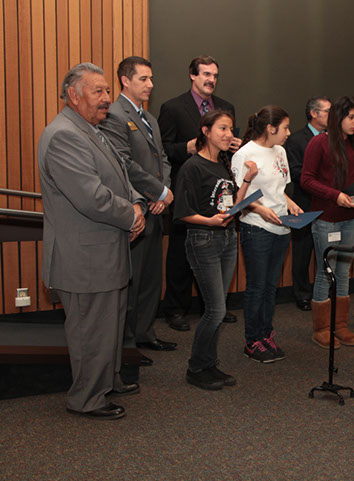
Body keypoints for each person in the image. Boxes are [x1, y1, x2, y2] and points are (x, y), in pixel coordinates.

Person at [38, 62, 146, 420]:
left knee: (109, 327)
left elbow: (120, 174)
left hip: (106, 251)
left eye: (105, 91)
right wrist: (131, 214)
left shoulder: (92, 129)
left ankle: (106, 380)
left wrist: (136, 201)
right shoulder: (64, 135)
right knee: (91, 331)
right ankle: (86, 397)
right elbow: (91, 197)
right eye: (98, 91)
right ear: (73, 95)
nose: (106, 99)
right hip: (85, 258)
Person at [98, 56, 176, 360]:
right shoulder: (115, 115)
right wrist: (157, 191)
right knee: (132, 280)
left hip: (156, 207)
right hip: (136, 209)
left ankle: (145, 334)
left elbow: (163, 160)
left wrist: (164, 191)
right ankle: (127, 344)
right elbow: (123, 164)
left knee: (151, 278)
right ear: (125, 80)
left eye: (151, 79)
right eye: (144, 79)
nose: (151, 85)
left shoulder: (149, 117)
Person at [174, 110, 256, 390]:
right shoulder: (192, 167)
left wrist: (247, 181)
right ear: (206, 131)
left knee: (217, 310)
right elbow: (182, 212)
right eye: (222, 128)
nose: (228, 134)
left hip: (227, 239)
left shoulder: (222, 165)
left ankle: (208, 364)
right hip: (203, 239)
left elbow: (232, 204)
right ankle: (196, 367)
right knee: (215, 310)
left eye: (231, 129)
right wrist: (208, 221)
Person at [158, 55, 240, 331]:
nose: (211, 80)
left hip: (218, 187)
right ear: (192, 76)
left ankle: (214, 306)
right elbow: (163, 149)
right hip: (188, 184)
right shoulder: (173, 108)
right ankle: (176, 308)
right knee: (181, 252)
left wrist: (233, 144)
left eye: (215, 75)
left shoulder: (225, 107)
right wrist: (188, 148)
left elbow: (226, 146)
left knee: (218, 251)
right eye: (205, 74)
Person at [232, 105, 303, 363]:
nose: (288, 132)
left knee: (271, 286)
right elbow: (238, 197)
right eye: (284, 128)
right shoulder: (245, 154)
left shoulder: (280, 151)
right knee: (256, 286)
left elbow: (279, 188)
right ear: (270, 129)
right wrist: (260, 210)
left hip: (281, 226)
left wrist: (289, 202)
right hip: (257, 228)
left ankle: (266, 333)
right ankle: (252, 340)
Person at [301, 96, 354, 349]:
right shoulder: (319, 142)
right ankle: (322, 329)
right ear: (338, 118)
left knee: (344, 271)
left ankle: (340, 325)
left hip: (352, 218)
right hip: (326, 218)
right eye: (351, 117)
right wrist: (334, 195)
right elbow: (306, 179)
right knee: (325, 272)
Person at [284, 96, 331, 312]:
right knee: (302, 252)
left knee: (327, 251)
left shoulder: (333, 139)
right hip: (304, 204)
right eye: (328, 111)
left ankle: (324, 292)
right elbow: (294, 172)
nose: (333, 116)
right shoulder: (296, 140)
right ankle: (302, 294)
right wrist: (320, 182)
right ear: (314, 113)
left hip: (330, 205)